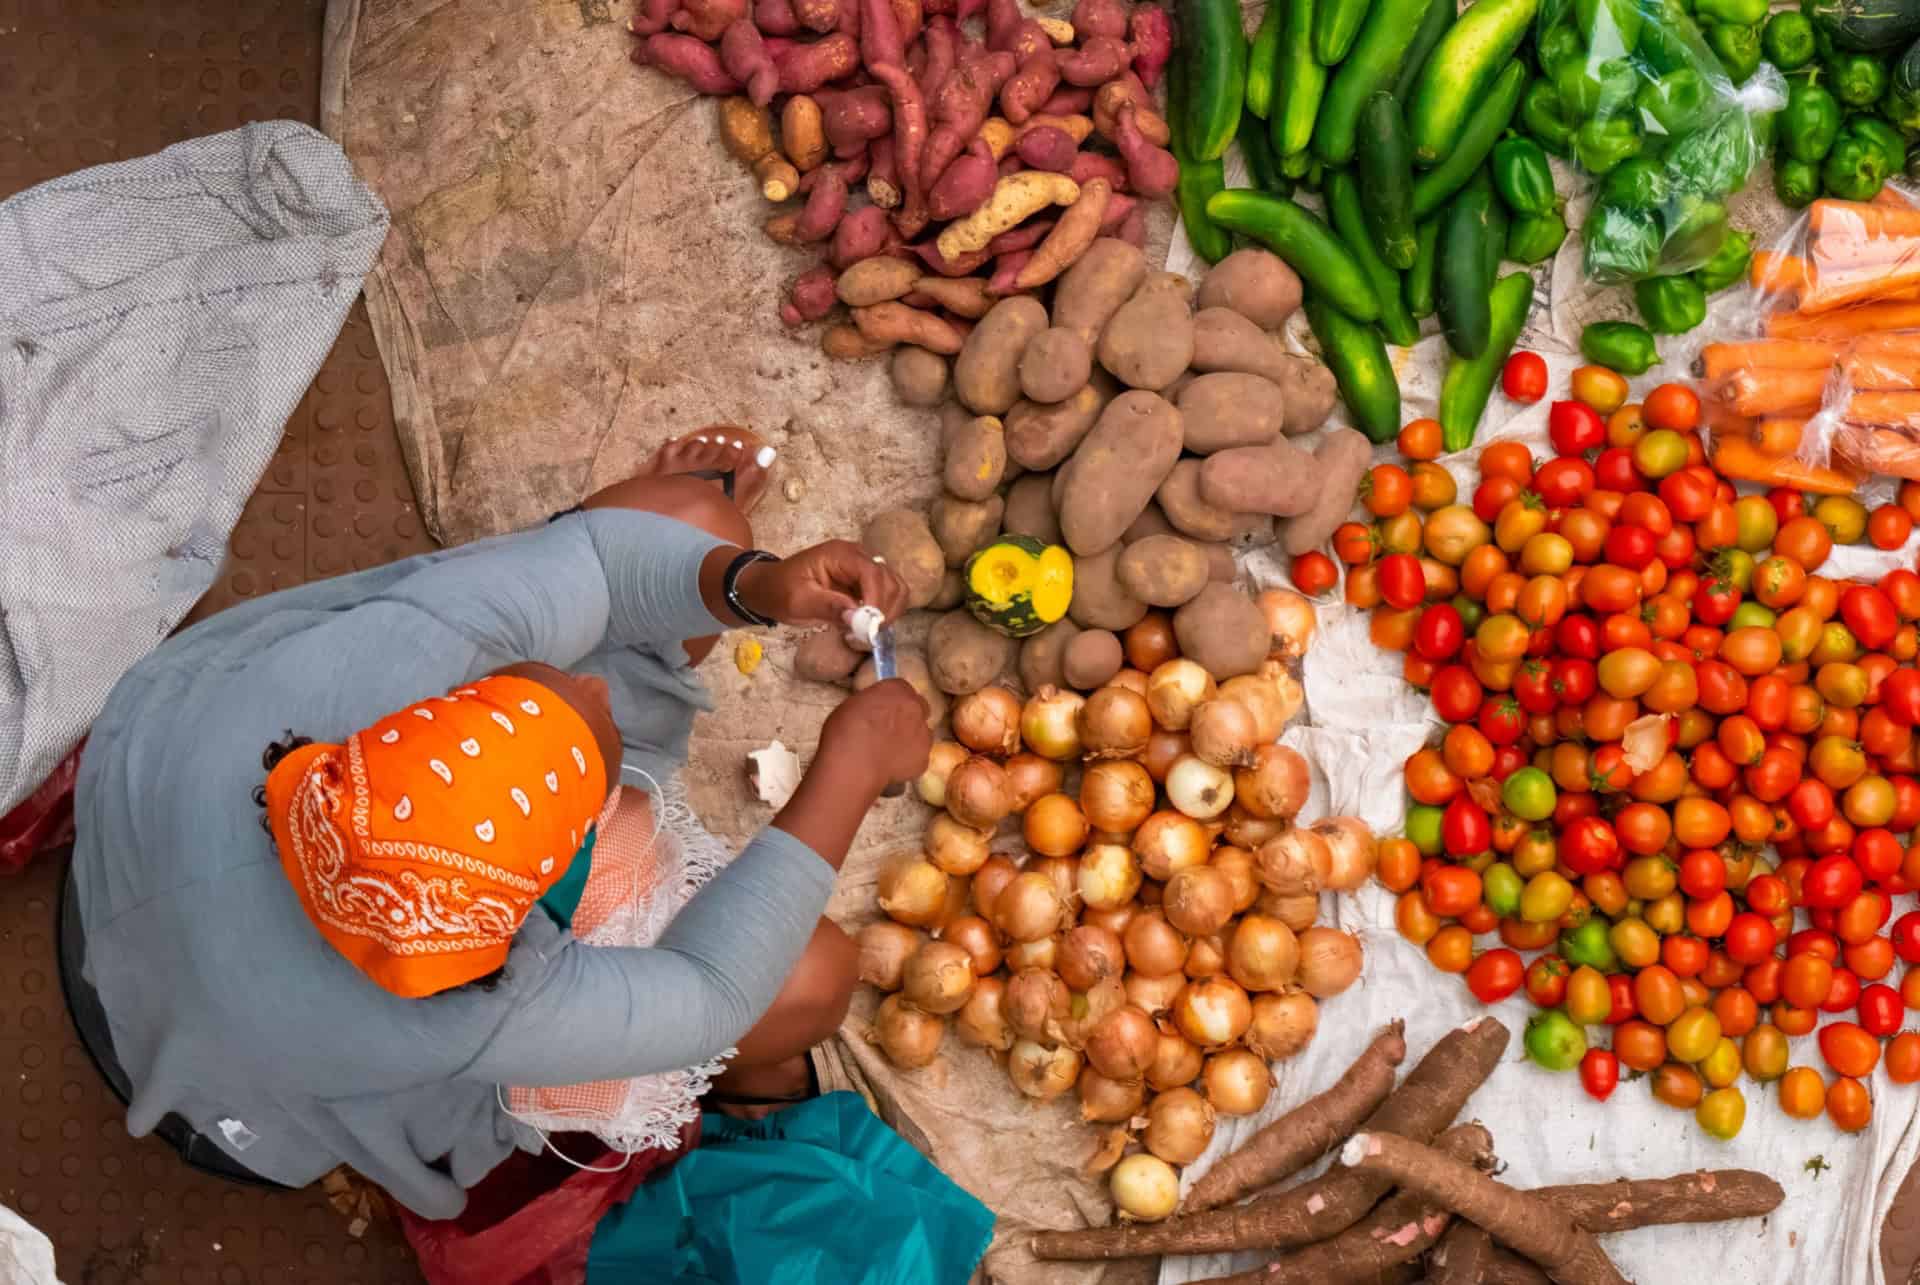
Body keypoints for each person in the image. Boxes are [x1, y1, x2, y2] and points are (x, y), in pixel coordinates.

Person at [64, 430, 933, 1219]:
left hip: (145, 840)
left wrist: (756, 586)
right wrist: (850, 767)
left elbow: (596, 565)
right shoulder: (470, 1008)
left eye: (551, 691)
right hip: (231, 1080)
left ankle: (644, 586)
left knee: (695, 529)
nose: (593, 686)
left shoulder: (373, 677)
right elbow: (712, 996)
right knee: (812, 976)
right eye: (590, 751)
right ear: (520, 919)